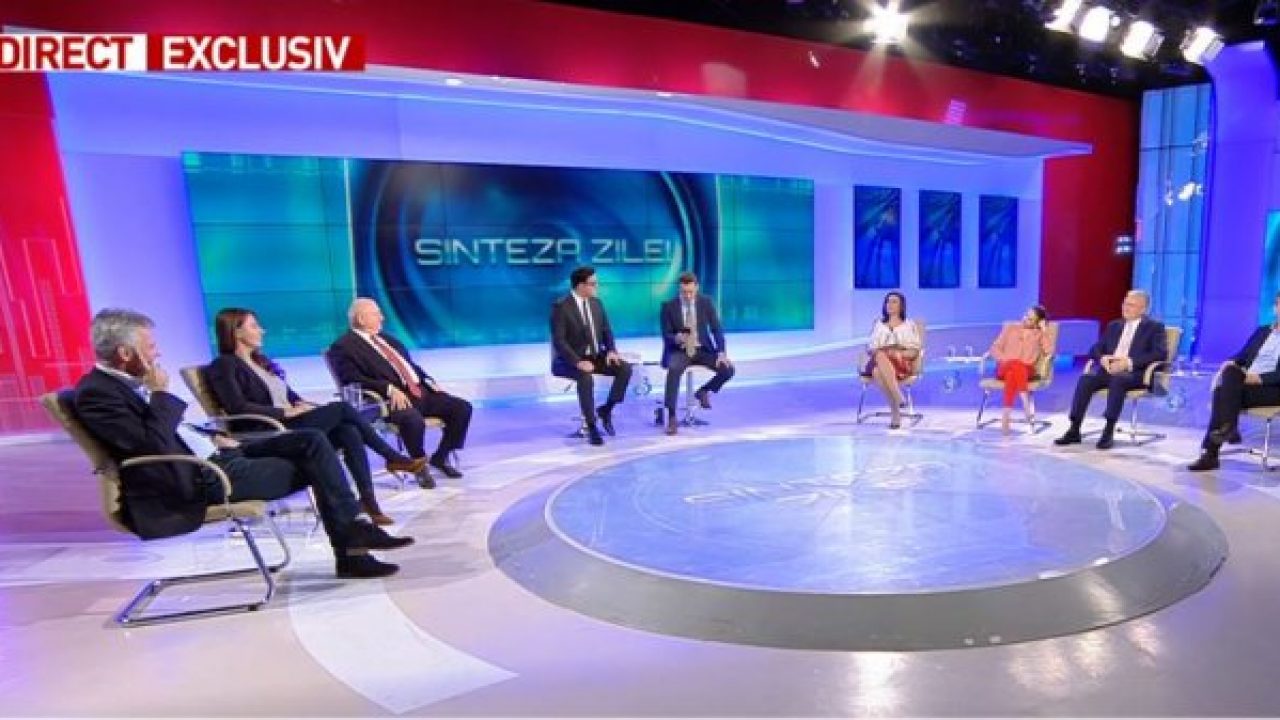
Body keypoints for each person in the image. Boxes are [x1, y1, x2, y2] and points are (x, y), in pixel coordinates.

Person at [72, 308, 412, 579]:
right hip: (199, 480)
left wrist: (208, 435)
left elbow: (165, 432)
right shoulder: (97, 394)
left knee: (313, 441)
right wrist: (160, 393)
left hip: (218, 452)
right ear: (124, 353)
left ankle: (354, 535)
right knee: (318, 461)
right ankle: (353, 546)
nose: (158, 352)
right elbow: (151, 445)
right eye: (150, 347)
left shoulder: (124, 385)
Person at [206, 307, 428, 526]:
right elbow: (237, 407)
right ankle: (392, 457)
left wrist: (300, 404)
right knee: (342, 408)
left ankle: (369, 502)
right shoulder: (224, 365)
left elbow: (290, 396)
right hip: (265, 430)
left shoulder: (261, 363)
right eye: (254, 326)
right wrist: (285, 412)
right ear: (236, 332)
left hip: (288, 422)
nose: (262, 331)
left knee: (348, 431)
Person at [327, 298, 472, 484]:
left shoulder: (388, 340)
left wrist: (428, 381)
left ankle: (440, 457)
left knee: (462, 408)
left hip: (419, 391)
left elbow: (410, 366)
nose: (382, 318)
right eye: (376, 314)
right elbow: (351, 379)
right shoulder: (343, 346)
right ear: (361, 319)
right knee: (412, 419)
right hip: (389, 400)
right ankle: (418, 465)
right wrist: (388, 388)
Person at [1054, 290, 1168, 450]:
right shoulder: (1114, 325)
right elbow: (1095, 349)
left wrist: (1128, 363)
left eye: (1131, 305)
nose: (1125, 308)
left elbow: (1160, 353)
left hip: (1135, 374)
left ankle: (1108, 430)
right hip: (1108, 370)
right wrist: (1102, 358)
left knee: (1118, 379)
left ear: (1143, 309)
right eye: (1125, 303)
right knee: (1086, 380)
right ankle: (1074, 428)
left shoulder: (1154, 328)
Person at [1188, 292, 1280, 471]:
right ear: (1275, 308)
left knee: (1222, 393)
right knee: (1230, 371)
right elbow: (1242, 356)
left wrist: (1259, 378)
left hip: (1273, 387)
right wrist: (1231, 362)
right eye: (1279, 304)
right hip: (1244, 383)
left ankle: (1212, 451)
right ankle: (1229, 428)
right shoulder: (1262, 331)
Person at [551, 266, 633, 445]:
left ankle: (606, 409)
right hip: (569, 360)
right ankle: (591, 426)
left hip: (595, 355)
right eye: (593, 284)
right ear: (581, 286)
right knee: (585, 377)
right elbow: (559, 341)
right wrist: (577, 362)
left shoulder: (597, 303)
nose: (596, 287)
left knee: (625, 368)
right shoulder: (561, 307)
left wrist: (611, 350)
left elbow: (606, 330)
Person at [658, 272, 734, 436]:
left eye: (690, 292)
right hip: (680, 350)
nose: (687, 296)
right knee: (674, 369)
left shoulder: (706, 302)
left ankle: (703, 391)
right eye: (684, 292)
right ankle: (671, 416)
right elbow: (666, 334)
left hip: (702, 349)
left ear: (696, 287)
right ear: (679, 289)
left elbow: (716, 329)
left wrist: (721, 352)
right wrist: (677, 338)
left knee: (728, 369)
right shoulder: (668, 306)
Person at [988, 305, 1052, 434]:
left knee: (1014, 372)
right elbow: (994, 348)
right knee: (1014, 365)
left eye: (1030, 319)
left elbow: (1049, 350)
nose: (1025, 319)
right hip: (1004, 366)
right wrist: (1006, 360)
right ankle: (1025, 403)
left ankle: (1006, 416)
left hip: (1027, 370)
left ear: (1037, 323)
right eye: (1026, 315)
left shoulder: (1039, 334)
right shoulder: (1010, 328)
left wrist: (1044, 331)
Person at [864, 291, 922, 429]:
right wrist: (883, 351)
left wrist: (898, 354)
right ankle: (898, 396)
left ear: (901, 306)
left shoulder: (909, 325)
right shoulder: (878, 324)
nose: (889, 304)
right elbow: (870, 348)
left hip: (900, 363)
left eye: (894, 301)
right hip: (878, 358)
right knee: (880, 355)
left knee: (877, 372)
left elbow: (915, 350)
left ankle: (895, 412)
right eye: (888, 301)